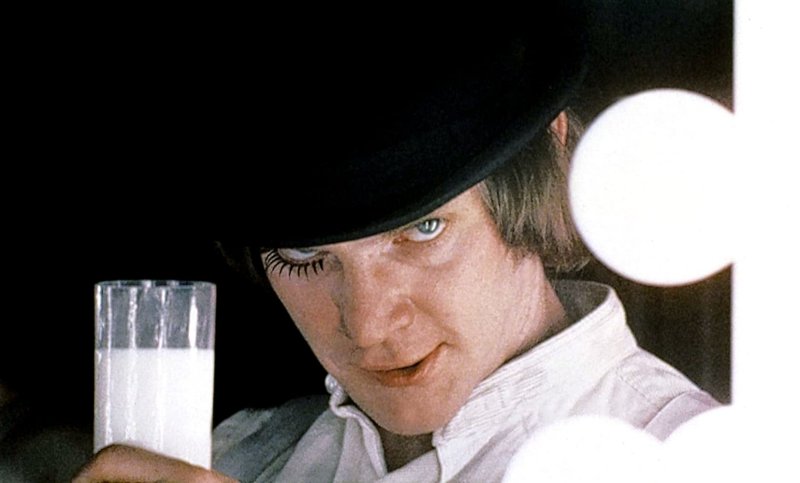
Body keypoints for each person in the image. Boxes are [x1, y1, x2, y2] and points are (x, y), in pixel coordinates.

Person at [75, 7, 720, 482]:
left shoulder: (694, 460)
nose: (367, 324)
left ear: (546, 159)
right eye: (305, 255)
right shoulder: (239, 457)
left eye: (423, 228)